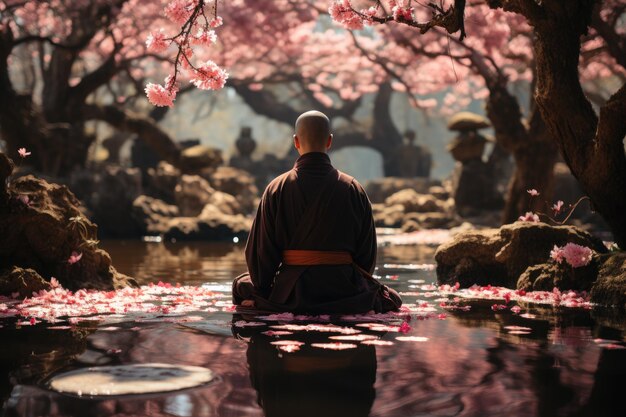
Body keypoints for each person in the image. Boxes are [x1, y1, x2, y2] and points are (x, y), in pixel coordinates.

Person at [232, 110, 402, 314]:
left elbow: (261, 256)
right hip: (345, 293)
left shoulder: (276, 188)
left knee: (241, 285)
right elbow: (367, 257)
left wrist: (263, 291)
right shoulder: (353, 188)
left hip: (291, 293)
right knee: (392, 298)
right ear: (330, 141)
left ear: (296, 142)